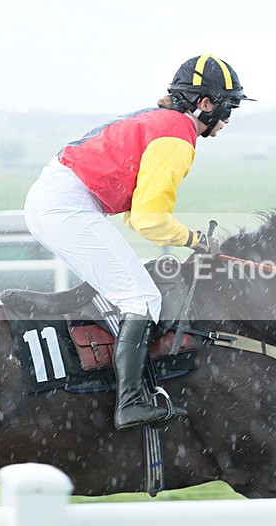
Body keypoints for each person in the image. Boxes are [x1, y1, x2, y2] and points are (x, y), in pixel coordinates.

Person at [24, 54, 253, 430]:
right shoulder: (177, 137)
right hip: (67, 206)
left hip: (62, 200)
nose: (228, 118)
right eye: (228, 106)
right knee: (143, 299)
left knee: (132, 290)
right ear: (206, 103)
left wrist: (187, 239)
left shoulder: (161, 122)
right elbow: (149, 220)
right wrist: (194, 239)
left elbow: (135, 215)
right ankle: (130, 403)